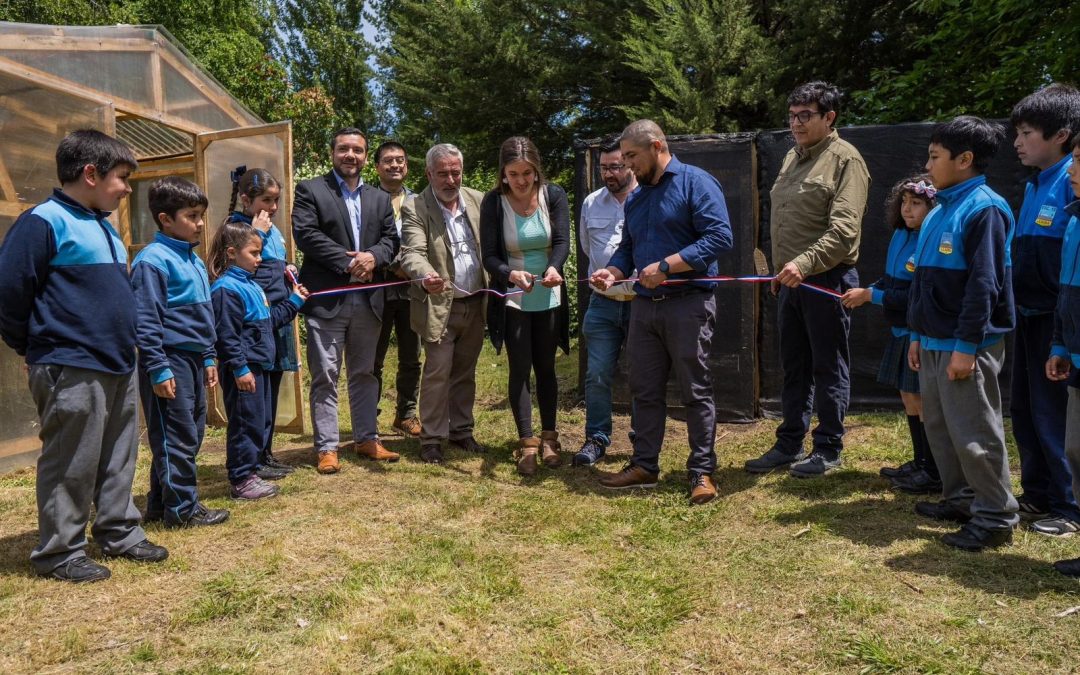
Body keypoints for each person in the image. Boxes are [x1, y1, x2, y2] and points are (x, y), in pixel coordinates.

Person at [0, 129, 167, 582]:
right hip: (70, 363)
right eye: (123, 178)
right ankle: (59, 552)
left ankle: (119, 531)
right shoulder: (42, 222)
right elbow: (10, 294)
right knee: (71, 458)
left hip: (117, 361)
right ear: (91, 174)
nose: (128, 188)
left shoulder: (103, 225)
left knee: (119, 453)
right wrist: (35, 348)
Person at [591, 119, 733, 505]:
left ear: (656, 147)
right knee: (644, 390)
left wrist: (668, 266)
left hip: (689, 303)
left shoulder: (696, 182)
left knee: (695, 389)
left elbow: (720, 236)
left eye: (633, 157)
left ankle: (702, 472)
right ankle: (644, 466)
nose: (628, 166)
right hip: (644, 308)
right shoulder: (637, 198)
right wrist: (613, 270)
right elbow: (629, 248)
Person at [744, 81, 869, 478]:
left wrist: (802, 263)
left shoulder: (846, 160)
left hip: (826, 279)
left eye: (805, 116)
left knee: (828, 365)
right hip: (792, 281)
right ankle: (789, 442)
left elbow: (845, 231)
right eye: (792, 115)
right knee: (794, 365)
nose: (795, 123)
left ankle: (829, 446)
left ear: (829, 117)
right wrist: (783, 269)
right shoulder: (790, 158)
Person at [907, 115, 1018, 552]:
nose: (928, 164)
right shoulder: (940, 208)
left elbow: (984, 285)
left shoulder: (984, 208)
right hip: (933, 342)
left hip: (963, 346)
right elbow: (924, 281)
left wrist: (966, 346)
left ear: (965, 159)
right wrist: (918, 334)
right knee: (941, 427)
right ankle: (961, 500)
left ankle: (995, 516)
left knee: (974, 431)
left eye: (935, 157)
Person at [292, 128, 401, 474]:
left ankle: (367, 438)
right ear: (332, 153)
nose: (350, 155)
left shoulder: (379, 198)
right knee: (325, 373)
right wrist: (348, 260)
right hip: (328, 298)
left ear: (366, 156)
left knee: (364, 372)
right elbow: (306, 234)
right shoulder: (311, 190)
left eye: (357, 150)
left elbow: (391, 240)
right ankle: (326, 447)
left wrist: (372, 257)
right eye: (344, 149)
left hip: (369, 299)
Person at [132, 177, 229, 528]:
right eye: (192, 215)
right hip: (168, 360)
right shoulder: (153, 261)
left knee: (192, 433)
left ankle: (160, 503)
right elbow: (146, 321)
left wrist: (207, 357)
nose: (201, 223)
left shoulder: (195, 261)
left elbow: (202, 317)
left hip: (192, 360)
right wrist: (158, 368)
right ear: (165, 219)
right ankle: (183, 511)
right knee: (176, 436)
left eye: (201, 215)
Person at [1007, 84, 1080, 536]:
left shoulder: (1071, 184)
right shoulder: (1032, 185)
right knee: (1025, 408)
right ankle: (1035, 492)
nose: (1017, 142)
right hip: (1027, 316)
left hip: (1058, 324)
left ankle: (1068, 506)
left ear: (1062, 135)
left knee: (1056, 415)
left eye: (1028, 132)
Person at [841, 176, 939, 493]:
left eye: (917, 204)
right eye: (904, 203)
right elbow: (890, 280)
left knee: (923, 401)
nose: (908, 210)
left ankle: (933, 471)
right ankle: (919, 461)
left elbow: (916, 295)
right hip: (899, 331)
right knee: (908, 397)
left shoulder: (931, 238)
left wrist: (871, 297)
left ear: (932, 207)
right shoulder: (900, 235)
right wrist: (869, 290)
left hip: (918, 333)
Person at [480, 136, 570, 475]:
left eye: (527, 173)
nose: (521, 181)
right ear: (503, 173)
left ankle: (550, 436)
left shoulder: (554, 195)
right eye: (513, 174)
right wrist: (508, 273)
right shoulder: (493, 202)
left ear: (537, 171)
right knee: (521, 368)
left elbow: (562, 241)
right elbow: (488, 255)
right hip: (513, 295)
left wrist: (554, 267)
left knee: (546, 366)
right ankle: (527, 441)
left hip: (548, 291)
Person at [399, 143, 488, 464]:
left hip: (476, 303)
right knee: (437, 371)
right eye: (443, 174)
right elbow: (411, 252)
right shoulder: (415, 206)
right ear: (428, 174)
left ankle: (461, 431)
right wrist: (426, 276)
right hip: (438, 304)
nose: (451, 180)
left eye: (456, 172)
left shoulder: (478, 200)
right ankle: (432, 438)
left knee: (465, 371)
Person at [208, 222, 308, 500]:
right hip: (244, 370)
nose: (260, 259)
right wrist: (240, 368)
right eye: (254, 253)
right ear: (231, 253)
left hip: (258, 367)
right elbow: (226, 336)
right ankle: (241, 479)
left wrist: (294, 302)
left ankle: (250, 471)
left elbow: (269, 321)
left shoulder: (252, 286)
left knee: (257, 421)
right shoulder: (226, 290)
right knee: (244, 423)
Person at [224, 167, 299, 480]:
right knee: (256, 395)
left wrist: (289, 271)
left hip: (278, 316)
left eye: (277, 200)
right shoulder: (239, 228)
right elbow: (246, 267)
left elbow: (271, 265)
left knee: (271, 389)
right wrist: (260, 233)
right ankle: (251, 459)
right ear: (245, 199)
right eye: (267, 200)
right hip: (255, 322)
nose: (273, 207)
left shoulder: (274, 229)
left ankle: (265, 453)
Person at [573, 139, 638, 467]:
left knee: (644, 374)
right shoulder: (590, 203)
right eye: (603, 168)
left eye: (616, 166)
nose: (609, 174)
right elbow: (586, 247)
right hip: (602, 303)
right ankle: (596, 439)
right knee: (597, 374)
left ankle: (643, 439)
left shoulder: (648, 197)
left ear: (630, 164)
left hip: (643, 304)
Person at [372, 141, 422, 438]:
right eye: (388, 161)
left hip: (411, 290)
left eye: (400, 160)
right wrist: (394, 265)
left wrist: (414, 270)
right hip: (377, 287)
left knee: (411, 356)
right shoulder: (366, 198)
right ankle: (369, 417)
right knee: (372, 358)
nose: (395, 165)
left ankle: (406, 415)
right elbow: (366, 238)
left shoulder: (419, 201)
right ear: (377, 166)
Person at [1046, 134, 1080, 575]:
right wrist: (1059, 345)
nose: (1070, 170)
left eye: (1077, 160)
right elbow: (1065, 294)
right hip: (1075, 358)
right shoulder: (1072, 221)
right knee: (1075, 450)